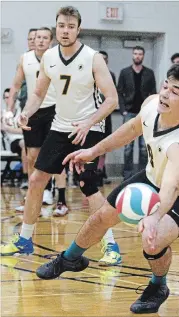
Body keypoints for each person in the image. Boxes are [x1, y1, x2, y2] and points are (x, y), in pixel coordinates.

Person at [36, 64, 179, 314]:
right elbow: (130, 130)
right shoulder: (152, 104)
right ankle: (70, 258)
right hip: (151, 177)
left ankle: (158, 286)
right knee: (100, 218)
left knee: (152, 242)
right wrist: (92, 152)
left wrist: (154, 216)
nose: (164, 94)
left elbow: (172, 186)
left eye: (174, 92)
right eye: (165, 86)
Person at [1, 6, 121, 266]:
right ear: (56, 28)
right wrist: (27, 113)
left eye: (70, 26)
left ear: (78, 29)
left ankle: (111, 245)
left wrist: (88, 123)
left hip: (88, 129)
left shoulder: (92, 58)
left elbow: (112, 99)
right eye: (61, 26)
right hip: (60, 126)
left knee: (87, 186)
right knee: (36, 180)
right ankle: (24, 239)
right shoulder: (50, 57)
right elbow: (37, 94)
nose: (65, 31)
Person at [4, 27, 68, 213]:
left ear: (51, 41)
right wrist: (9, 110)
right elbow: (15, 86)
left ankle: (61, 200)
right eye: (38, 37)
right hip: (32, 112)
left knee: (56, 156)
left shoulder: (57, 58)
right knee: (32, 157)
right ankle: (34, 198)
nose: (40, 40)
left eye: (45, 38)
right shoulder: (25, 59)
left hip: (54, 111)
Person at [118, 46, 156, 180]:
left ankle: (142, 175)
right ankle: (127, 176)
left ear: (143, 56)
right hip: (128, 113)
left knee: (143, 148)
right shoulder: (124, 72)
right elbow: (119, 92)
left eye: (140, 54)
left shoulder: (149, 73)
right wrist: (122, 110)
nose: (138, 56)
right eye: (135, 53)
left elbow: (154, 93)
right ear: (132, 55)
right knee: (128, 147)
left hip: (145, 113)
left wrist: (151, 110)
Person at [97, 50, 116, 185]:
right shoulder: (89, 74)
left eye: (105, 59)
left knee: (105, 143)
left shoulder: (111, 75)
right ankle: (89, 171)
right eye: (100, 58)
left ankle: (100, 170)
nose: (102, 61)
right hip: (91, 114)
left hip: (106, 114)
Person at [1, 88, 28, 188]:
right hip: (13, 143)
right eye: (6, 97)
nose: (9, 100)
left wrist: (8, 128)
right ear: (4, 99)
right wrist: (15, 129)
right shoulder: (2, 114)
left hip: (25, 140)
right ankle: (25, 177)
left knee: (31, 145)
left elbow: (24, 130)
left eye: (11, 97)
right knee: (25, 143)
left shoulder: (21, 112)